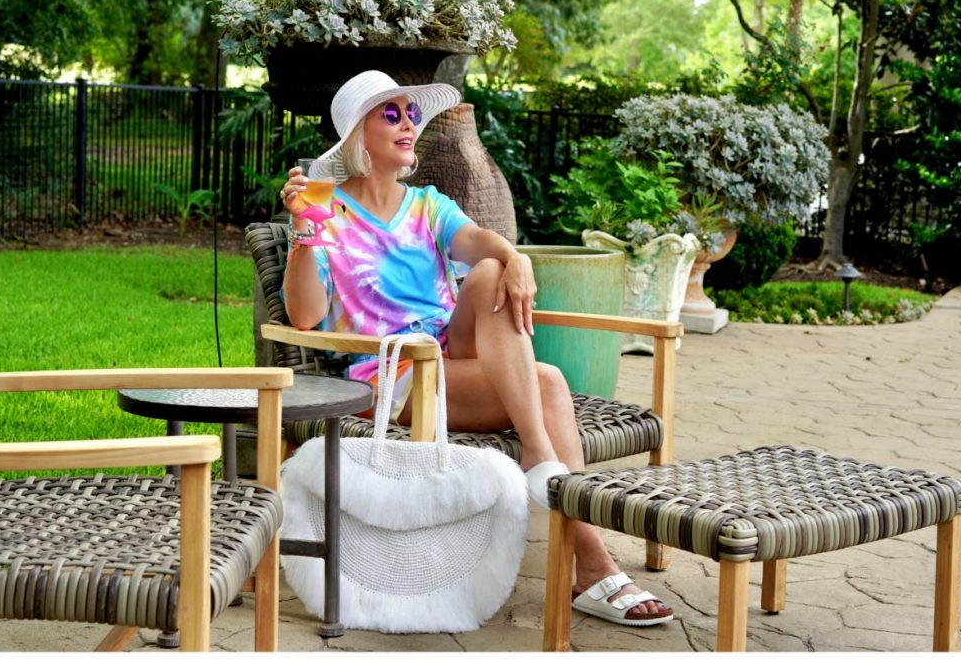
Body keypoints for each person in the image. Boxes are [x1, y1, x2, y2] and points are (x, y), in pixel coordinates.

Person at [279, 69, 673, 627]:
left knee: (489, 270)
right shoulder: (326, 214)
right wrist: (302, 235)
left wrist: (519, 261)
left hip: (452, 357)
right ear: (356, 138)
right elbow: (304, 316)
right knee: (550, 382)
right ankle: (592, 558)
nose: (408, 124)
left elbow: (484, 245)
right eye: (390, 115)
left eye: (411, 113)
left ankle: (556, 492)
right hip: (389, 375)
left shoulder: (427, 204)